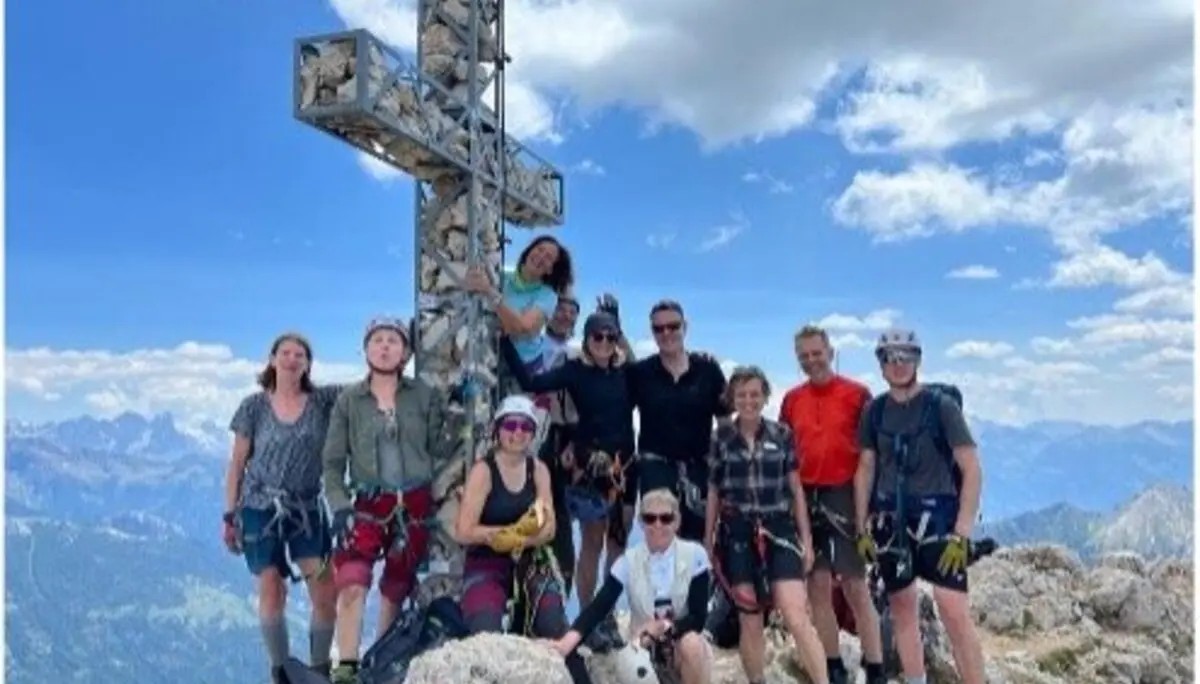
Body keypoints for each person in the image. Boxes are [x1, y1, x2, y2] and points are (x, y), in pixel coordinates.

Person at [321, 316, 450, 684]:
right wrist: (340, 505)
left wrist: (457, 415)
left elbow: (438, 446)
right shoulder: (350, 401)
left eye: (393, 340)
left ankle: (379, 662)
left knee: (397, 584)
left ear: (405, 352)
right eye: (377, 339)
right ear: (366, 350)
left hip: (414, 505)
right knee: (352, 579)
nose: (384, 346)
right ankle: (346, 668)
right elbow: (332, 463)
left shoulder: (423, 396)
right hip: (366, 503)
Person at [853, 328, 985, 684]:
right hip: (889, 520)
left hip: (939, 517)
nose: (898, 365)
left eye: (905, 357)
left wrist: (962, 534)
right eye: (890, 358)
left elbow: (971, 468)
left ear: (917, 361)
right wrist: (860, 525)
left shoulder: (941, 408)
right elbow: (865, 469)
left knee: (953, 609)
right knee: (901, 607)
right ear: (881, 364)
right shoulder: (874, 412)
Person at [501, 308, 635, 650]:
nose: (604, 343)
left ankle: (606, 614)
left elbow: (659, 371)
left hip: (625, 463)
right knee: (592, 542)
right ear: (587, 340)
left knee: (618, 544)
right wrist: (504, 341)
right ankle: (589, 616)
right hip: (592, 465)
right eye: (597, 337)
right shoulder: (574, 371)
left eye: (611, 337)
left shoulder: (628, 373)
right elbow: (532, 384)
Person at [222, 332, 343, 682]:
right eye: (285, 352)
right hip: (260, 508)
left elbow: (365, 391)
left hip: (305, 506)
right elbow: (237, 464)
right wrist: (230, 516)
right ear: (272, 359)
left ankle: (319, 670)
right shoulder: (253, 407)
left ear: (308, 364)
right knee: (271, 587)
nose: (292, 359)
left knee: (324, 589)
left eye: (300, 354)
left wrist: (388, 351)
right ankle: (282, 671)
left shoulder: (322, 401)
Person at [453, 395, 593, 684]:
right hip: (487, 561)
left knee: (554, 624)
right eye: (510, 425)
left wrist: (517, 541)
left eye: (526, 427)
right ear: (498, 429)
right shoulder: (483, 471)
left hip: (530, 558)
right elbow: (464, 530)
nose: (517, 433)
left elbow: (549, 527)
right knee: (485, 633)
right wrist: (497, 537)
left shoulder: (538, 469)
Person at [705, 365, 829, 684]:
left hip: (779, 529)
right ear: (732, 398)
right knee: (750, 618)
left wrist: (806, 541)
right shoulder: (721, 438)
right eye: (742, 395)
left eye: (755, 394)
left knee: (796, 616)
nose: (748, 401)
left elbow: (796, 489)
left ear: (764, 396)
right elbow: (715, 491)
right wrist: (708, 541)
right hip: (736, 533)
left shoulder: (782, 434)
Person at [778, 324, 885, 684]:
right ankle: (833, 665)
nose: (811, 361)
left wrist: (867, 509)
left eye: (816, 353)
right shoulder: (792, 400)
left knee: (856, 585)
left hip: (844, 493)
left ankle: (875, 667)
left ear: (830, 352)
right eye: (804, 356)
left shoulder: (857, 395)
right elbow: (785, 452)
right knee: (818, 586)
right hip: (806, 497)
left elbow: (873, 454)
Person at [546, 488, 714, 684]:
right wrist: (567, 642)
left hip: (681, 646)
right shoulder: (627, 561)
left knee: (692, 644)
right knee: (633, 664)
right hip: (641, 648)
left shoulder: (696, 555)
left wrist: (664, 629)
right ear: (641, 523)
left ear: (676, 522)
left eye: (665, 518)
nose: (657, 525)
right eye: (650, 518)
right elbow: (599, 607)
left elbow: (698, 617)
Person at [627, 299, 730, 543]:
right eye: (658, 329)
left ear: (685, 326)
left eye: (673, 326)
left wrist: (728, 468)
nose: (666, 333)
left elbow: (725, 422)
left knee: (698, 544)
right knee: (660, 540)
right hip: (656, 468)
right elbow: (612, 408)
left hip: (699, 468)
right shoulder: (640, 373)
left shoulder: (708, 370)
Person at [464, 235, 575, 375]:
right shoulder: (502, 276)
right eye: (539, 249)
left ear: (550, 270)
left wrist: (489, 292)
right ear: (529, 251)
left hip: (524, 369)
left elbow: (524, 328)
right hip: (492, 358)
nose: (541, 256)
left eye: (548, 258)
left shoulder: (547, 296)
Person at [537, 293, 583, 597]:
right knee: (538, 511)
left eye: (571, 312)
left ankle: (560, 592)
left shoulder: (580, 352)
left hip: (569, 436)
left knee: (563, 519)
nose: (565, 315)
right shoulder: (532, 345)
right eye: (560, 309)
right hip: (537, 433)